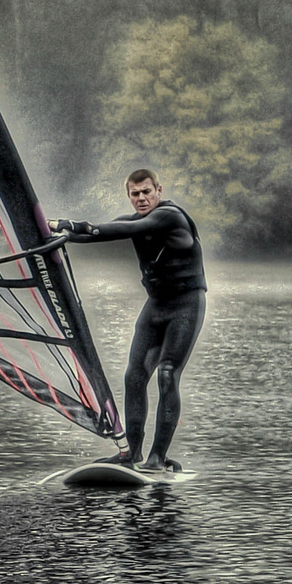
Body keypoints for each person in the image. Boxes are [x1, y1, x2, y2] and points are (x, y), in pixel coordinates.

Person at [51, 169, 205, 472]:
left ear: (158, 190)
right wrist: (58, 236)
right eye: (135, 194)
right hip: (157, 306)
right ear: (129, 196)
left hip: (186, 306)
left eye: (147, 191)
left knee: (167, 374)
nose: (142, 198)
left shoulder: (169, 216)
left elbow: (115, 230)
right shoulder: (136, 220)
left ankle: (157, 458)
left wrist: (69, 225)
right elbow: (102, 231)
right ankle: (132, 454)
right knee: (134, 377)